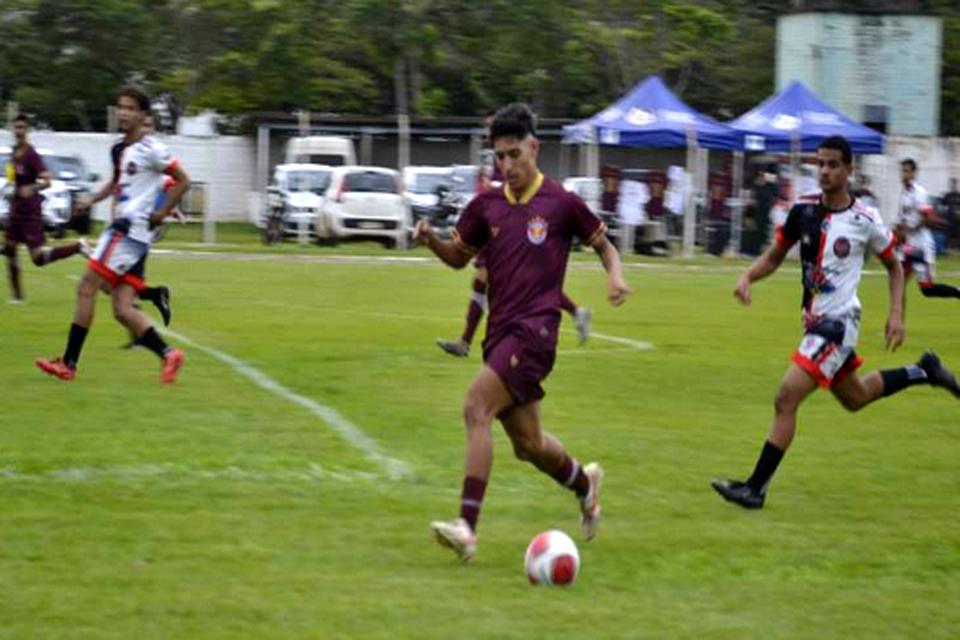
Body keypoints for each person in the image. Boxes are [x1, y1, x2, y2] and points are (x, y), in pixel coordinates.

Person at [414, 103, 630, 561]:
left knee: (475, 407)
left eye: (515, 154)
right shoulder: (486, 205)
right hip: (500, 336)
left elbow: (605, 247)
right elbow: (459, 256)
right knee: (529, 446)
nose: (507, 166)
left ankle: (467, 529)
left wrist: (616, 276)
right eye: (500, 157)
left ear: (534, 147)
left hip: (535, 335)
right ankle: (584, 482)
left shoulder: (561, 203)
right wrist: (432, 240)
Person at [712, 136, 960, 510]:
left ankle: (755, 488)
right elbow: (777, 254)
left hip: (838, 324)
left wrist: (896, 313)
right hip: (815, 324)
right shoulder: (803, 211)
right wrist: (748, 276)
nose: (824, 171)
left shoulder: (865, 219)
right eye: (820, 164)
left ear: (848, 170)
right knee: (855, 398)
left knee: (786, 397)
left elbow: (894, 266)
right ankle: (923, 371)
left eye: (832, 164)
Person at [35, 86, 190, 383]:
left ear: (143, 115)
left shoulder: (152, 149)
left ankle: (68, 363)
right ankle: (169, 353)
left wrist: (161, 213)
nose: (124, 113)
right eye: (121, 107)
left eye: (131, 108)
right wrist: (91, 199)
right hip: (132, 236)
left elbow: (183, 181)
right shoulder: (119, 149)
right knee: (121, 308)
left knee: (85, 287)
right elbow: (117, 182)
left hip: (128, 232)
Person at [436, 253, 592, 357]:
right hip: (499, 223)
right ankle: (577, 312)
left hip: (506, 224)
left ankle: (467, 342)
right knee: (482, 282)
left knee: (525, 284)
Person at [2, 114, 88, 302]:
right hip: (16, 209)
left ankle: (78, 247)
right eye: (16, 127)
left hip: (30, 211)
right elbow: (13, 178)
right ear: (12, 129)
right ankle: (17, 297)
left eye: (22, 128)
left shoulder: (31, 154)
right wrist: (12, 189)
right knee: (9, 249)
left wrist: (32, 188)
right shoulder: (13, 152)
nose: (19, 131)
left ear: (27, 130)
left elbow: (47, 180)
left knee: (38, 258)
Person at [896, 159, 960, 300]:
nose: (903, 174)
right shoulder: (904, 194)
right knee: (897, 281)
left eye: (906, 171)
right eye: (902, 171)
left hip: (921, 247)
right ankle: (896, 319)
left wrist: (910, 230)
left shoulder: (918, 192)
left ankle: (957, 292)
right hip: (908, 246)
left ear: (913, 173)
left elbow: (929, 218)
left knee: (927, 289)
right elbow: (903, 221)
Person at [941, 177, 960, 251]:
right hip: (949, 218)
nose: (953, 185)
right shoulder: (947, 195)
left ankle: (958, 247)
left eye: (954, 184)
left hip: (958, 219)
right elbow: (942, 205)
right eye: (951, 184)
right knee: (947, 232)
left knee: (958, 231)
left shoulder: (958, 195)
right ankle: (947, 247)